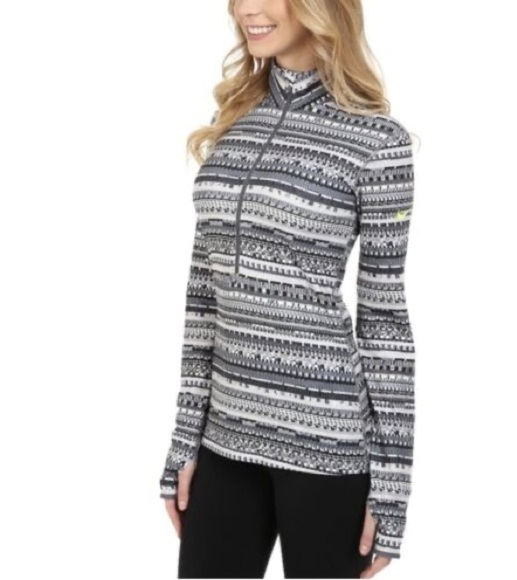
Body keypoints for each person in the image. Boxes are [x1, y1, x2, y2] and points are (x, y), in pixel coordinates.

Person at [160, 0, 417, 578]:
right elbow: (203, 300)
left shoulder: (378, 142)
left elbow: (384, 321)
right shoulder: (233, 124)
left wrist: (393, 486)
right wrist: (184, 438)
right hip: (225, 441)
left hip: (327, 445)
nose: (247, 10)